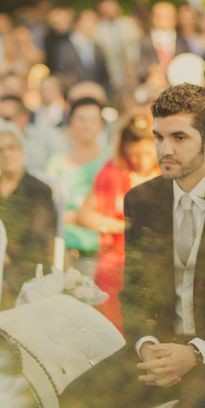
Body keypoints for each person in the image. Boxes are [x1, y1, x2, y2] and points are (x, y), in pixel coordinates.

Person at [60, 83, 205, 408]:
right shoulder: (142, 201)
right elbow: (134, 291)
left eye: (179, 138)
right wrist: (146, 344)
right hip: (163, 346)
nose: (165, 149)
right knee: (77, 400)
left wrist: (195, 352)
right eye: (159, 137)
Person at [77, 112, 159, 332]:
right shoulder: (114, 172)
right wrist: (123, 227)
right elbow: (84, 215)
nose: (140, 161)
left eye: (146, 153)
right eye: (134, 155)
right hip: (117, 258)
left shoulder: (167, 173)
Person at [0, 118, 56, 309]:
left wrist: (4, 257)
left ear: (22, 150)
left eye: (12, 147)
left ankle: (1, 337)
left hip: (27, 265)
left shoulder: (40, 191)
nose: (7, 154)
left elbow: (39, 239)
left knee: (3, 283)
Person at [47, 97, 110, 273]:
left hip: (99, 252)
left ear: (100, 125)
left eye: (92, 120)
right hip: (61, 251)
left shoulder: (111, 160)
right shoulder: (56, 163)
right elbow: (51, 211)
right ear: (71, 124)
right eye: (81, 120)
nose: (87, 126)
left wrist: (75, 217)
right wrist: (84, 217)